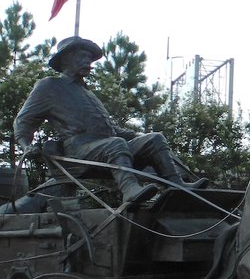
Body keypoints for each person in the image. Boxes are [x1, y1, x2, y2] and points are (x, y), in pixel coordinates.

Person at [14, 36, 207, 204]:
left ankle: (178, 186)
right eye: (83, 56)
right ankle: (130, 190)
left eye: (90, 58)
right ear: (66, 58)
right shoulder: (49, 86)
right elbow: (24, 120)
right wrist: (25, 145)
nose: (88, 61)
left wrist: (138, 135)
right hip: (77, 152)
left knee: (154, 139)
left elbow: (110, 130)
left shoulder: (88, 93)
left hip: (105, 146)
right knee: (115, 144)